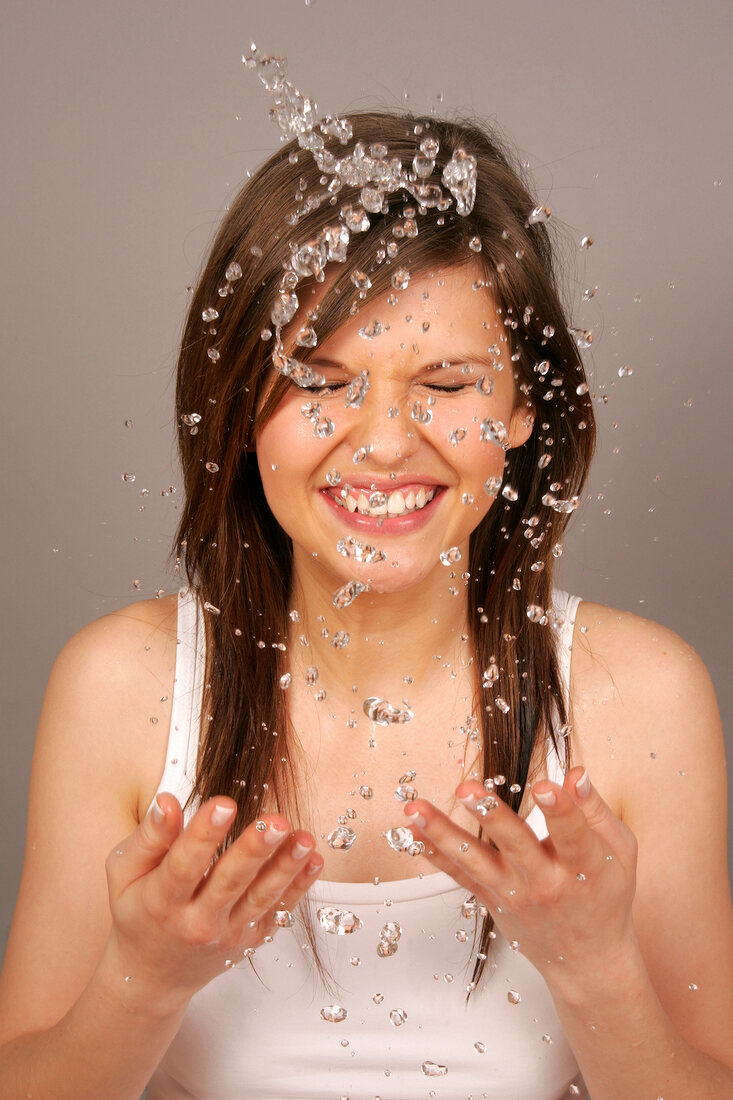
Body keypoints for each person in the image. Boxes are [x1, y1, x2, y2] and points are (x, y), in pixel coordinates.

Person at [0, 57, 732, 1099]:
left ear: (524, 413)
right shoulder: (124, 687)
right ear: (240, 410)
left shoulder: (637, 695)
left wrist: (595, 968)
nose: (384, 443)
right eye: (320, 382)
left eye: (443, 383)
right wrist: (141, 981)